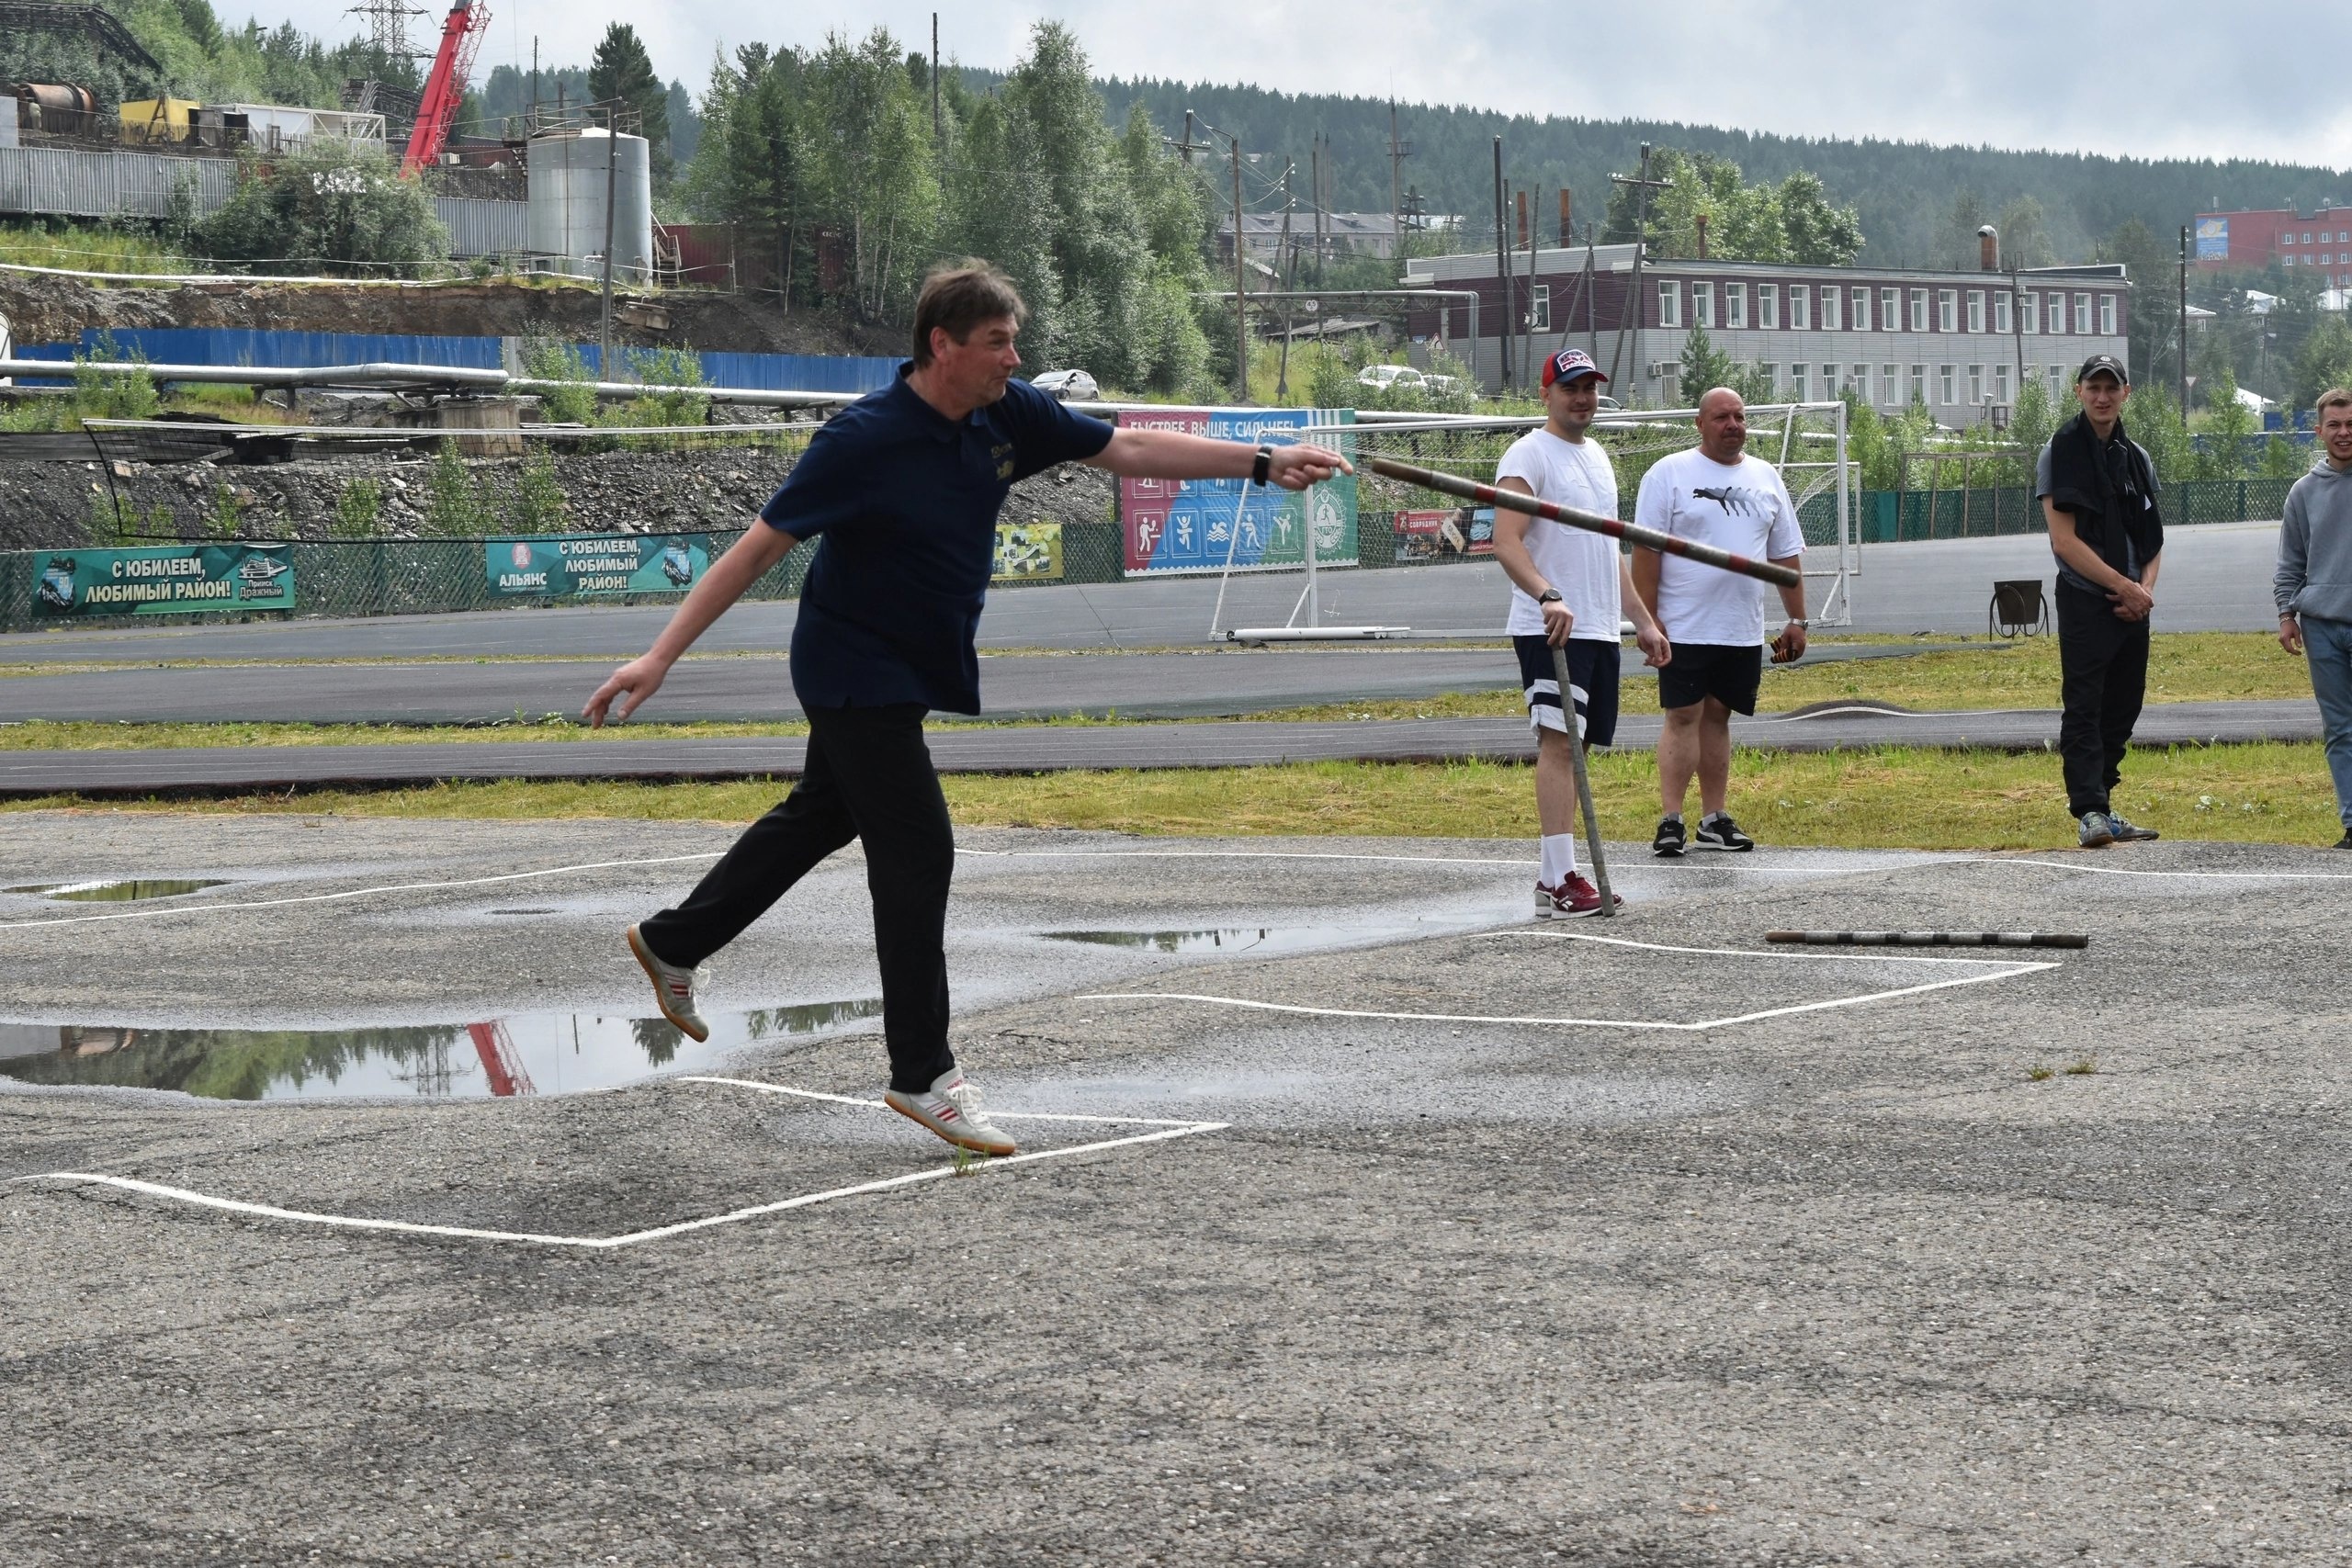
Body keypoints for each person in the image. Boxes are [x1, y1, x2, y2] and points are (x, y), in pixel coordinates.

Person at [582, 261, 1351, 1158]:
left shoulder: (1006, 414)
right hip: (849, 664)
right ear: (941, 345)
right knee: (918, 851)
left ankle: (675, 941)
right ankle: (923, 1076)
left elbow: (1125, 449)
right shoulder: (862, 439)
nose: (1012, 358)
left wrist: (1262, 463)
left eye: (1013, 342)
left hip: (907, 662)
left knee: (825, 812)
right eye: (996, 343)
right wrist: (659, 655)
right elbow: (755, 551)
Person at [1490, 347, 1669, 913]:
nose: (1583, 397)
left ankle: (1557, 877)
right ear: (1546, 394)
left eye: (1590, 387)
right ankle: (1559, 875)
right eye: (1571, 387)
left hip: (1597, 626)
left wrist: (1641, 620)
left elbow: (1607, 548)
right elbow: (1505, 540)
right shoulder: (1528, 454)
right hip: (1551, 626)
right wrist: (1547, 594)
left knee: (1580, 748)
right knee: (1560, 743)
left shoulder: (1598, 457)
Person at [1630, 388, 1807, 855]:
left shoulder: (1766, 477)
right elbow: (1645, 552)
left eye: (1740, 417)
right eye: (1722, 417)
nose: (1733, 425)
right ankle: (1671, 819)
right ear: (1700, 423)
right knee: (1683, 714)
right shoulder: (1668, 473)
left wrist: (1798, 619)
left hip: (1739, 627)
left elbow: (1785, 555)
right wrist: (1649, 621)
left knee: (1719, 716)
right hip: (1683, 625)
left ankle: (1714, 818)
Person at [2037, 353, 2164, 849]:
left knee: (2124, 708)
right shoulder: (2060, 451)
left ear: (2126, 393)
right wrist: (2122, 586)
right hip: (2088, 598)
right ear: (2079, 392)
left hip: (2134, 602)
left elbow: (2153, 539)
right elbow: (2064, 541)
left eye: (2112, 387)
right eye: (2094, 387)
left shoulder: (2137, 457)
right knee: (2085, 706)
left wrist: (2144, 592)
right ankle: (2087, 809)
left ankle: (2105, 802)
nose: (2103, 396)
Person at [2274, 387, 2352, 849]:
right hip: (2321, 628)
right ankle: (2351, 821)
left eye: (2351, 424)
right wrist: (2287, 613)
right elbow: (2290, 563)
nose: (2345, 433)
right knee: (2340, 728)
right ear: (2320, 430)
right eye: (2336, 425)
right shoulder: (2303, 493)